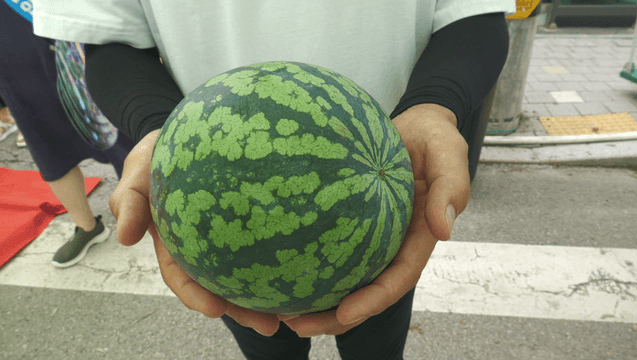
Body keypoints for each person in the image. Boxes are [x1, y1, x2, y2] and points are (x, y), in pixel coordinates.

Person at [33, 1, 516, 358]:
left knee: (378, 338)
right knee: (265, 340)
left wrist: (434, 103)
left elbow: (474, 16)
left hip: (395, 203)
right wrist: (160, 128)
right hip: (220, 214)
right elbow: (108, 37)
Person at [0, 4, 135, 268]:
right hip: (13, 62)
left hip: (74, 36)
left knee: (122, 137)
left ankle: (154, 210)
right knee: (49, 150)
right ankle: (87, 227)